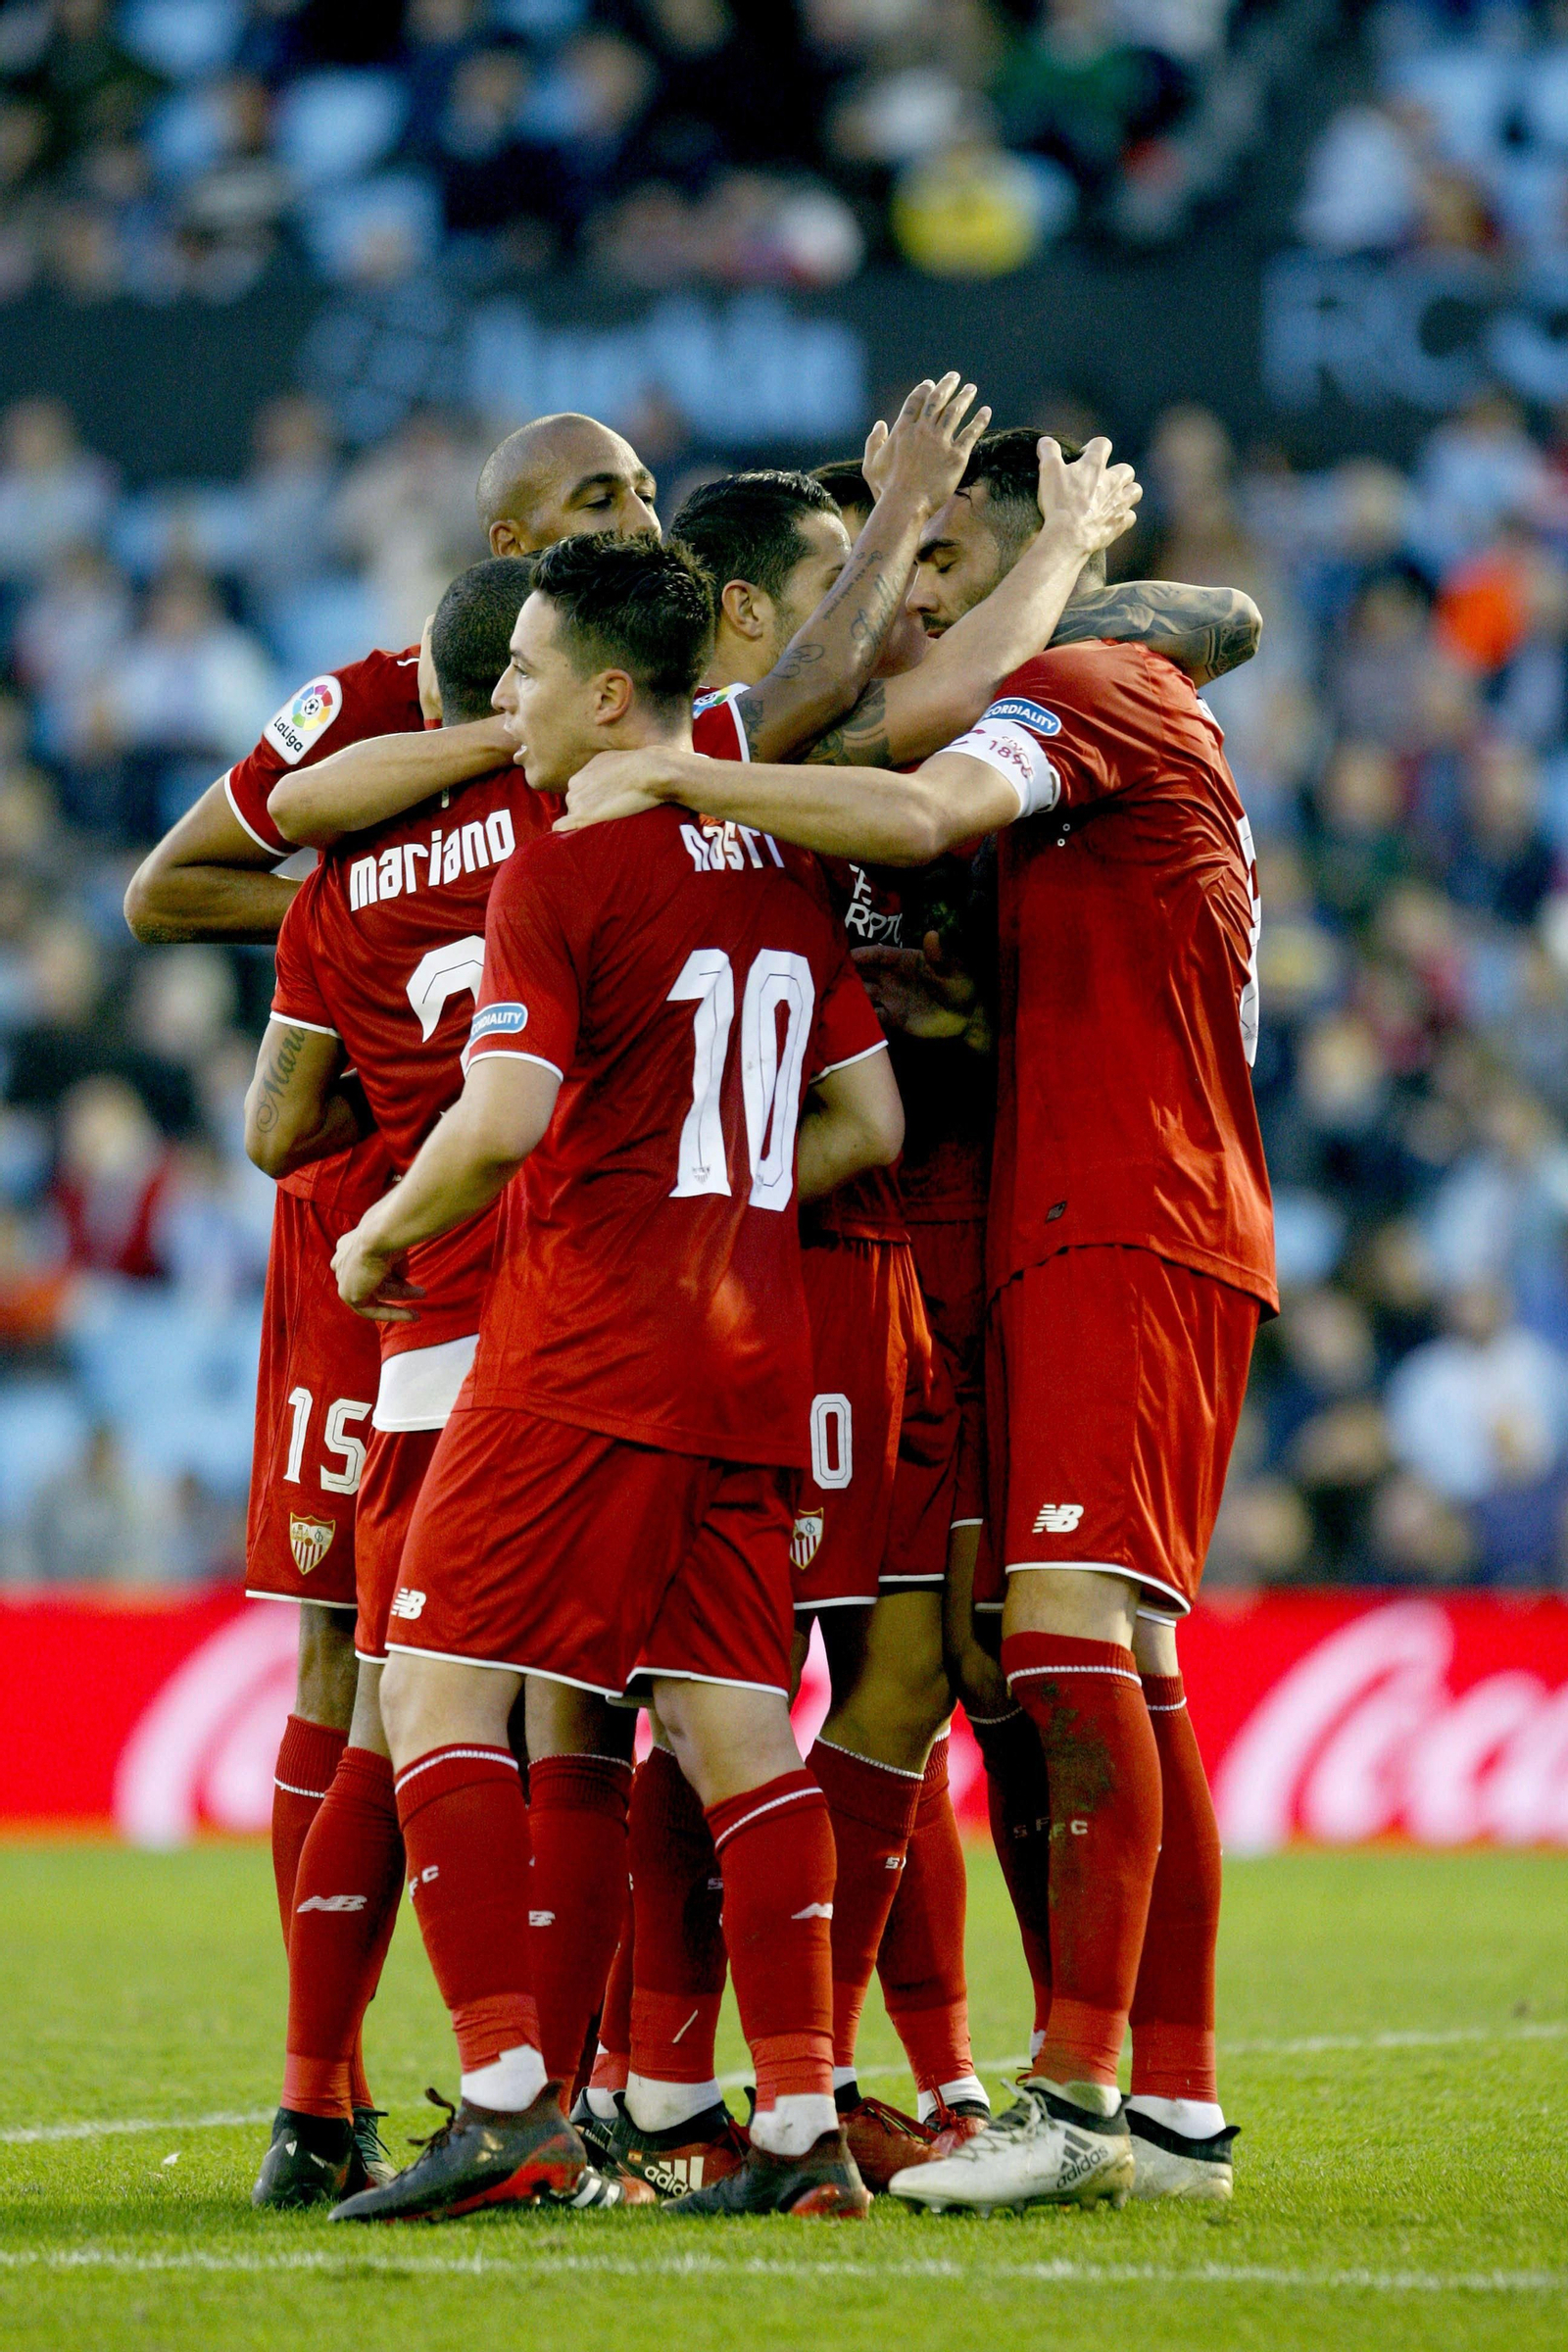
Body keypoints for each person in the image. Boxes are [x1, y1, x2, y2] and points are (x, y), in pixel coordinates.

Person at [554, 428, 1275, 2212]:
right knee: (1001, 1661)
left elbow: (912, 794)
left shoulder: (1071, 690)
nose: (910, 603)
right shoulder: (1071, 702)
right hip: (1011, 1231)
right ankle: (1124, 2101)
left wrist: (671, 785)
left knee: (1005, 1650)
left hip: (1080, 1221)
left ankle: (1063, 2096)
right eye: (883, 570)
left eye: (940, 565)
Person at [324, 532, 905, 2224]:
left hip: (583, 1345)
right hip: (748, 1351)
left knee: (431, 1684)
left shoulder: (562, 874)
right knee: (735, 1729)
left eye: (523, 673)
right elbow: (872, 1120)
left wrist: (379, 1245)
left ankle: (507, 2095)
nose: (500, 702)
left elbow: (499, 1122)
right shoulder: (780, 863)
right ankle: (797, 2128)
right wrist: (716, 1192)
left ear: (605, 693)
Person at [237, 556, 636, 2211]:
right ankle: (603, 2090)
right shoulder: (595, 819)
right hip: (580, 1315)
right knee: (606, 1717)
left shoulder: (337, 879)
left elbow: (272, 1127)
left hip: (413, 1346)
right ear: (522, 686)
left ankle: (319, 2101)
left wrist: (389, 1165)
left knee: (399, 1717)